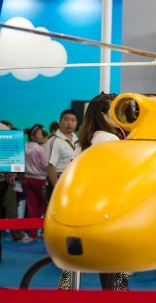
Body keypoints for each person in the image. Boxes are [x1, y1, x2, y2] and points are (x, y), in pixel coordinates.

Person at [57, 92, 128, 291]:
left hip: (83, 205)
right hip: (107, 207)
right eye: (115, 111)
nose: (120, 115)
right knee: (115, 261)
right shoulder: (109, 139)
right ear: (103, 115)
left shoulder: (84, 140)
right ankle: (117, 298)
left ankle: (64, 295)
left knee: (77, 260)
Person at [44, 110, 78, 202]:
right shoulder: (54, 141)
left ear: (76, 123)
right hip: (60, 181)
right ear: (60, 122)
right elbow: (50, 166)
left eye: (73, 120)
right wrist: (57, 188)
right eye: (66, 119)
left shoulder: (76, 139)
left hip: (74, 181)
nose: (69, 123)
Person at [23, 124, 48, 239]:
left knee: (31, 207)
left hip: (27, 179)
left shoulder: (25, 147)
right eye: (40, 133)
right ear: (33, 136)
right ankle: (41, 228)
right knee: (45, 204)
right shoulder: (40, 149)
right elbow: (44, 165)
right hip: (40, 180)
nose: (42, 135)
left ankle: (32, 233)